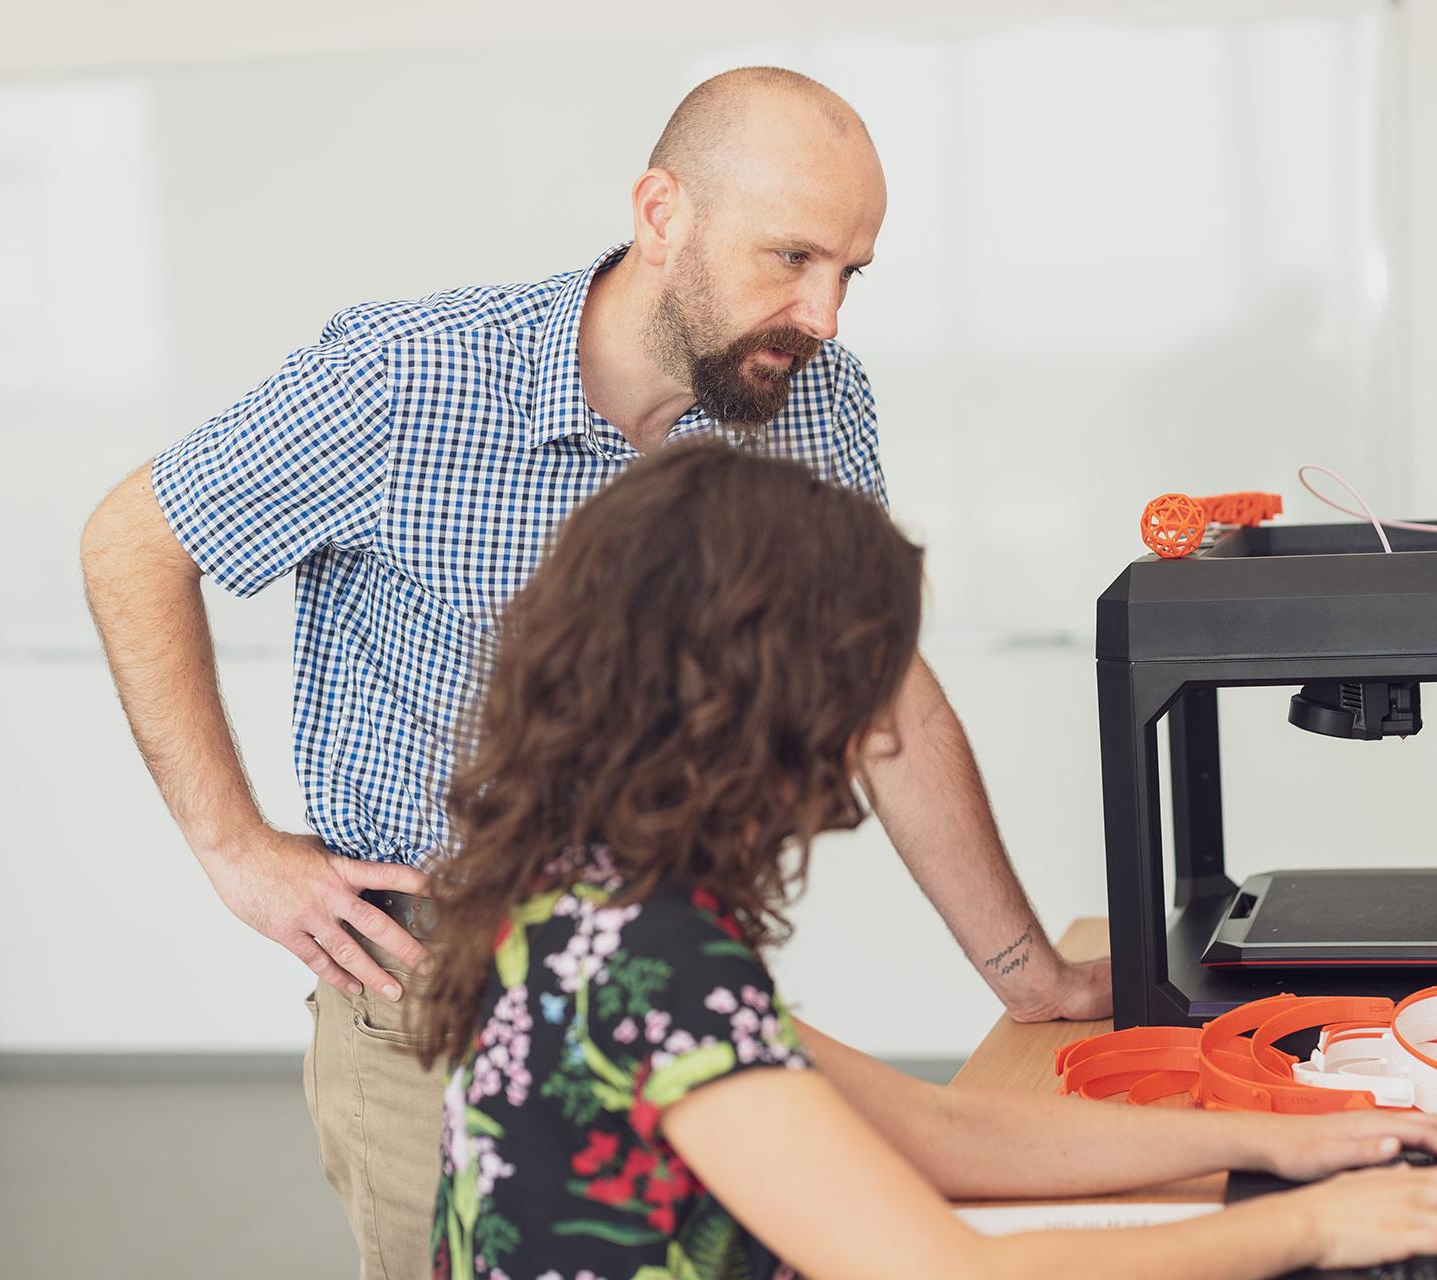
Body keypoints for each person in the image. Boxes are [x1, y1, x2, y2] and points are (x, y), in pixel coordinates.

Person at [77, 66, 1105, 1279]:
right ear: (661, 213)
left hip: (664, 975)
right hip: (432, 990)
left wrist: (1023, 970)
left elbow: (884, 695)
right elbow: (134, 538)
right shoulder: (411, 379)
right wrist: (235, 848)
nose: (825, 314)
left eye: (849, 271)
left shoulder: (814, 402)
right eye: (791, 258)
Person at [417, 441, 1437, 1280]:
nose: (882, 735)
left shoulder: (573, 908)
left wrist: (1283, 1135)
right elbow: (945, 1273)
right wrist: (1312, 1225)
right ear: (753, 697)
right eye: (861, 679)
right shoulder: (650, 958)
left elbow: (936, 1130)